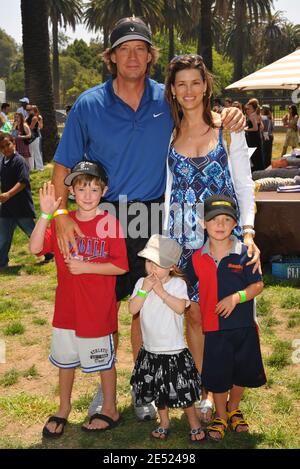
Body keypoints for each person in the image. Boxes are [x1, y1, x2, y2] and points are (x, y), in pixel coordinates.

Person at [51, 17, 245, 422]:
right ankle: (127, 390)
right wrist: (60, 213)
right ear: (111, 57)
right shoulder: (89, 103)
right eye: (124, 48)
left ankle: (179, 387)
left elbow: (201, 113)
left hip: (157, 213)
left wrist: (233, 116)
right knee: (111, 307)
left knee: (161, 302)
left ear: (151, 56)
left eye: (141, 48)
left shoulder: (168, 98)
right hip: (104, 215)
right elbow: (61, 165)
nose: (133, 55)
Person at [164, 54, 260, 422]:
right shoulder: (170, 134)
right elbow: (168, 191)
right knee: (195, 317)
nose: (189, 91)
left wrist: (248, 231)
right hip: (183, 243)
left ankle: (230, 397)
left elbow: (243, 184)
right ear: (173, 90)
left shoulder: (228, 128)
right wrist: (164, 246)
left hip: (222, 240)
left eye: (195, 82)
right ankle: (207, 392)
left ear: (206, 86)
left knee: (230, 316)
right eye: (181, 84)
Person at [29, 161, 128, 437]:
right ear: (71, 190)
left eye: (94, 188)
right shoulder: (64, 223)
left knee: (104, 362)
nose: (87, 194)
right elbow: (35, 248)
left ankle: (110, 407)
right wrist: (46, 215)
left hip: (97, 311)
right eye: (81, 187)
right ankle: (63, 407)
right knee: (66, 361)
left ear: (104, 191)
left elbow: (121, 266)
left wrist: (88, 267)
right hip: (67, 310)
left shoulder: (110, 224)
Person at [189, 195, 266, 442]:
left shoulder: (245, 253)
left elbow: (258, 286)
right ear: (203, 223)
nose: (220, 225)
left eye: (226, 220)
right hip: (214, 328)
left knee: (241, 372)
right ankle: (221, 414)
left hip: (243, 326)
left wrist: (236, 297)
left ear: (235, 224)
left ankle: (234, 408)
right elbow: (182, 280)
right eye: (214, 220)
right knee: (219, 375)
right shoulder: (197, 257)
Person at [129, 234, 205, 442]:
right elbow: (132, 308)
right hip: (150, 351)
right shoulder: (141, 283)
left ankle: (194, 423)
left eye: (158, 264)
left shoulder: (177, 284)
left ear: (171, 266)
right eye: (148, 262)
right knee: (158, 392)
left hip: (174, 352)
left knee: (183, 392)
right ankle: (164, 422)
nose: (152, 268)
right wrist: (144, 291)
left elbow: (181, 308)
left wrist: (161, 292)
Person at [0, 132, 36, 269]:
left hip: (21, 207)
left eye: (8, 144)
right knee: (3, 238)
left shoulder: (19, 161)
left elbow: (23, 182)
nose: (6, 148)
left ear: (14, 144)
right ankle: (2, 263)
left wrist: (8, 194)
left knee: (33, 234)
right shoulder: (2, 162)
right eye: (2, 147)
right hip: (7, 208)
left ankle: (49, 252)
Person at [244, 99, 264, 171]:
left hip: (253, 138)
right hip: (257, 137)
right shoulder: (258, 114)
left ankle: (255, 170)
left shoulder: (252, 116)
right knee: (258, 154)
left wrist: (245, 129)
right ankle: (260, 169)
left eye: (249, 108)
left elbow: (255, 128)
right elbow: (261, 127)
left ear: (252, 107)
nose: (248, 109)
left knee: (254, 154)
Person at [26, 105, 44, 171]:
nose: (28, 111)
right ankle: (31, 168)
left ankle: (40, 167)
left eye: (30, 110)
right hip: (30, 136)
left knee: (37, 151)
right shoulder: (28, 117)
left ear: (34, 110)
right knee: (30, 152)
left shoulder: (38, 117)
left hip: (36, 135)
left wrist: (37, 121)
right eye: (28, 110)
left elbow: (41, 126)